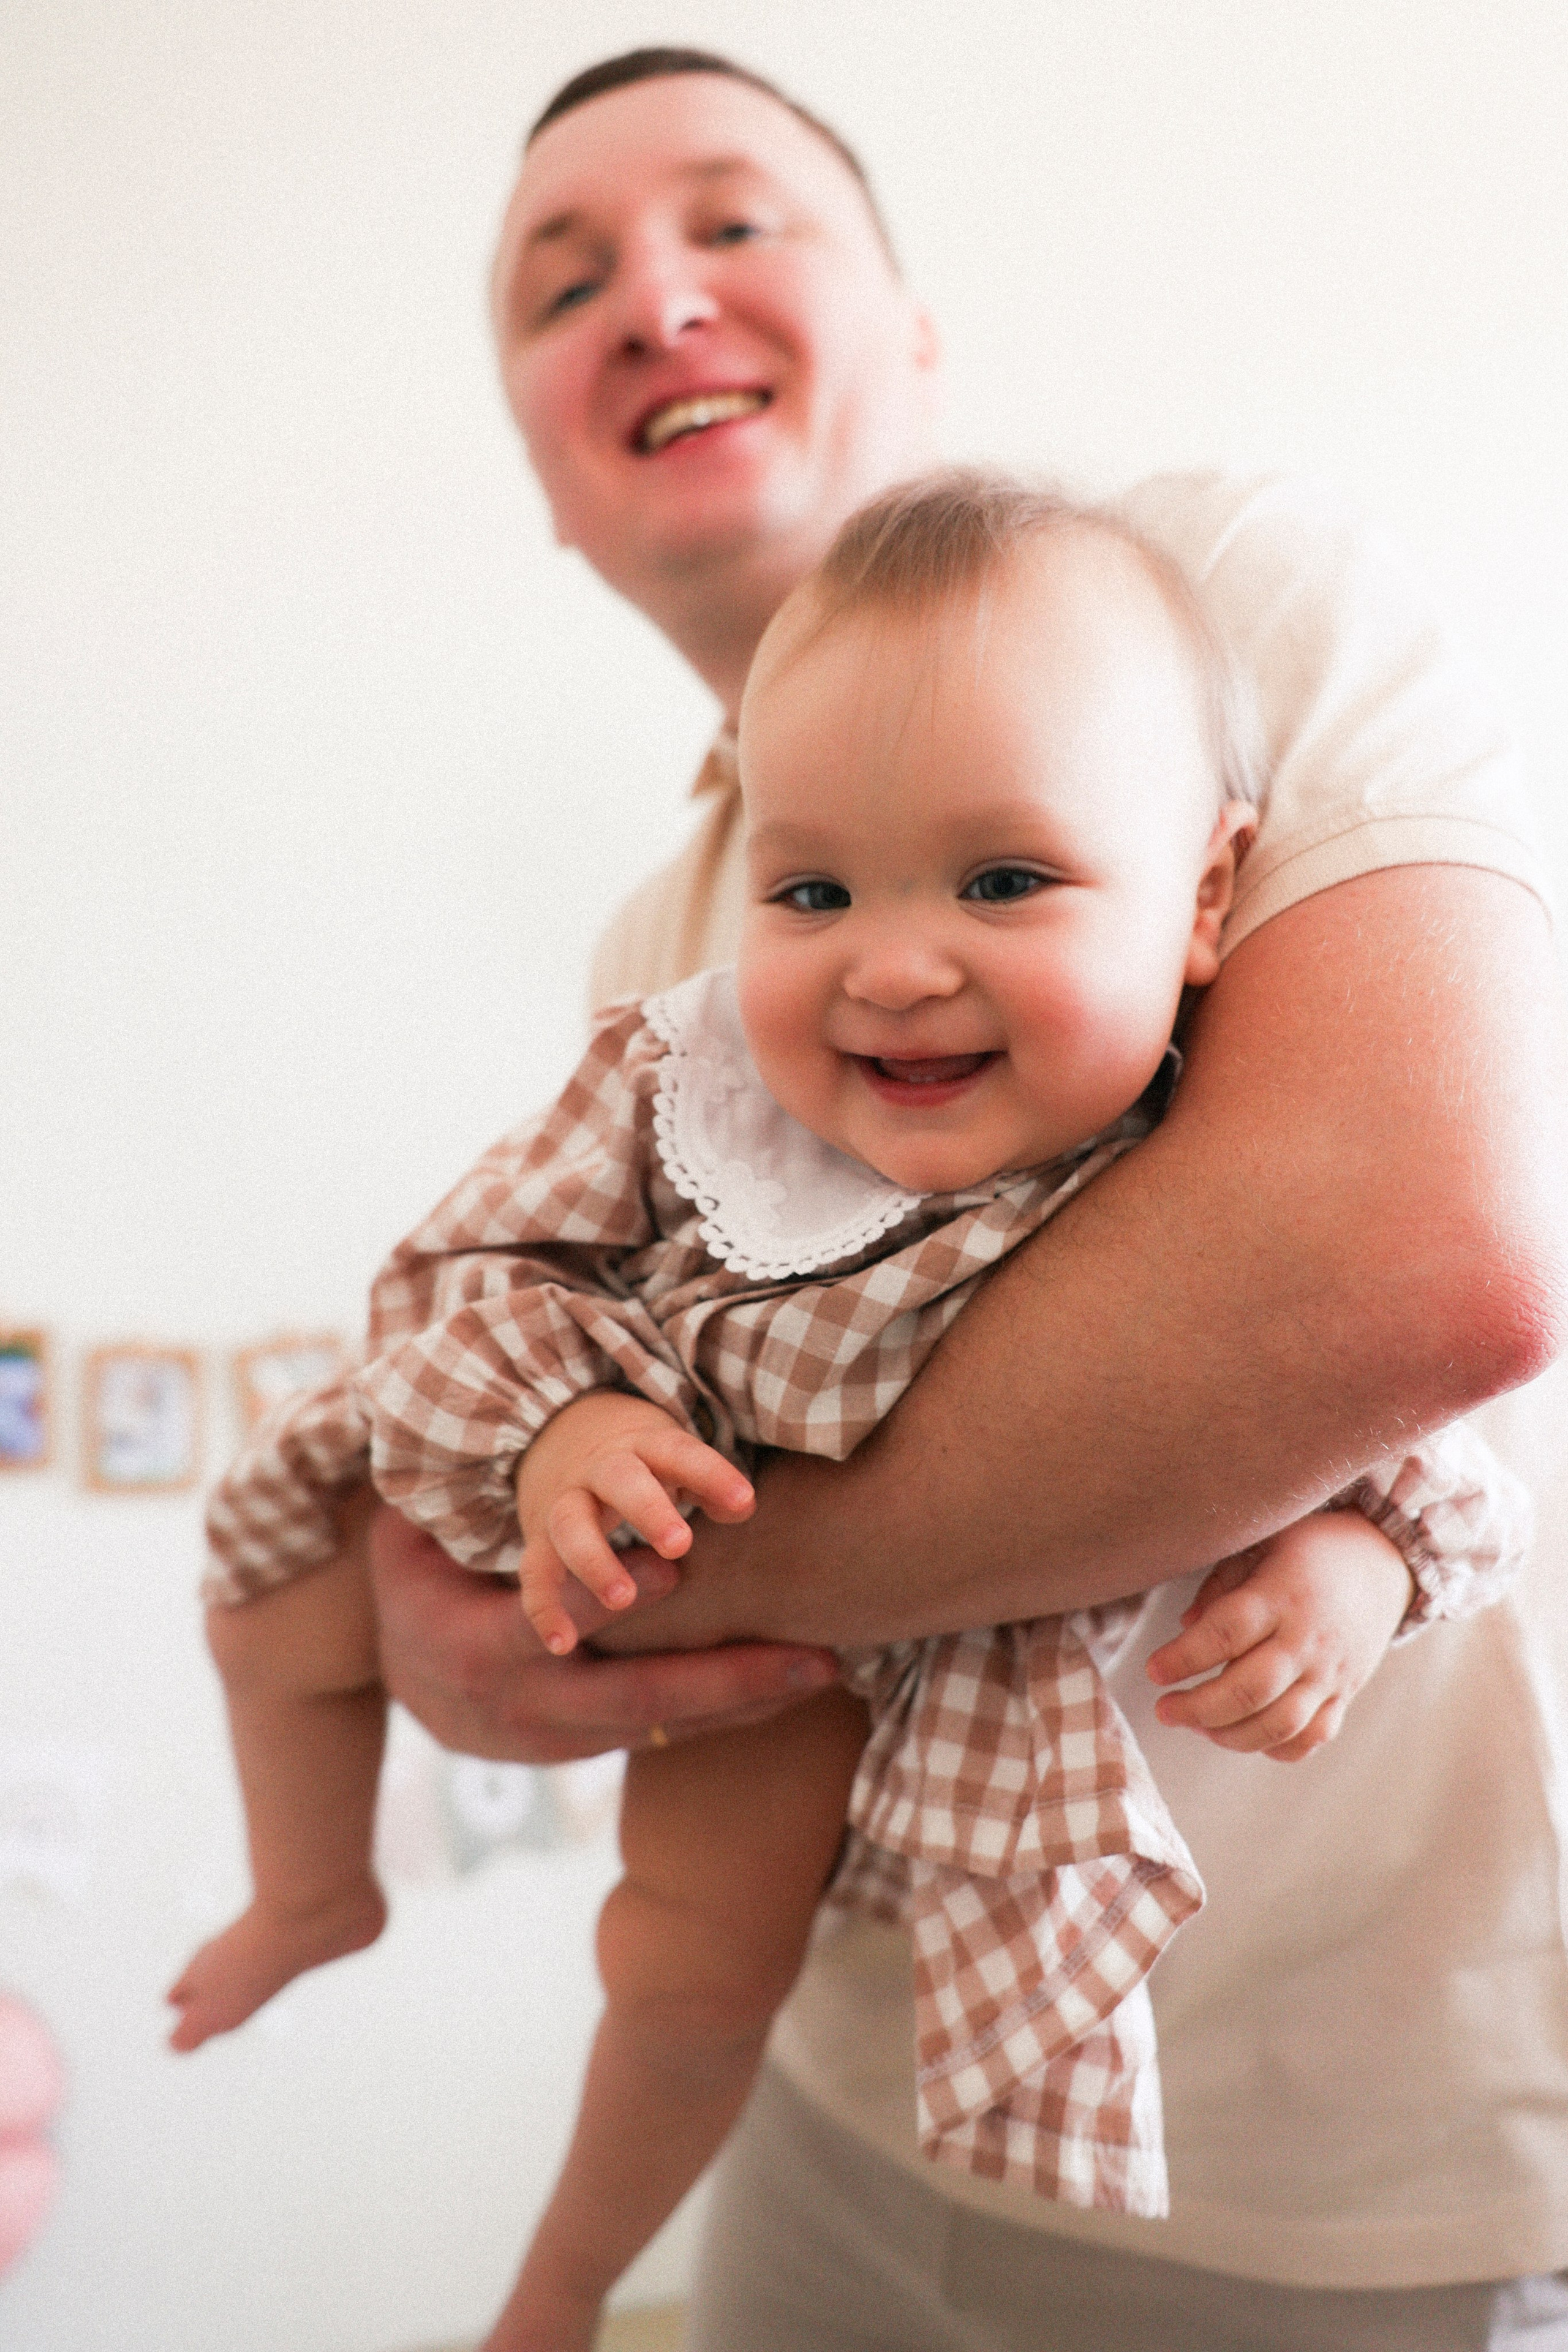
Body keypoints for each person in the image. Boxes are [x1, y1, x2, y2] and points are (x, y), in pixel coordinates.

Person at [225, 46, 1568, 2352]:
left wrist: (633, 1599)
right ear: (549, 470)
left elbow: (1425, 1274)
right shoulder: (668, 949)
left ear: (917, 328)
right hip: (838, 2078)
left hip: (1346, 2147)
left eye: (737, 225)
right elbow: (515, 1331)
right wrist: (481, 1564)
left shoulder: (1224, 600)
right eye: (565, 284)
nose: (654, 300)